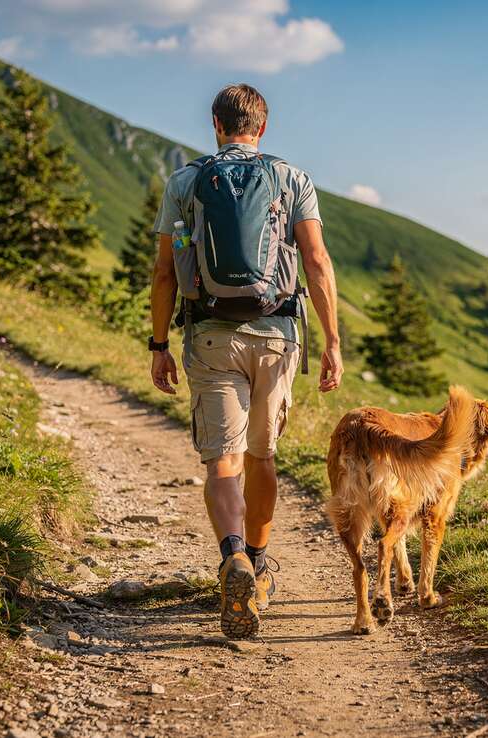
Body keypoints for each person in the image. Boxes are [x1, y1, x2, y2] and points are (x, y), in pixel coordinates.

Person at [148, 83, 343, 639]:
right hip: (276, 337)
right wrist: (332, 341)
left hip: (211, 336)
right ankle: (257, 565)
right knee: (262, 456)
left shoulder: (185, 182)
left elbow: (164, 271)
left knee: (222, 461)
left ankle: (231, 553)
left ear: (216, 124)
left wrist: (159, 345)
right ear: (263, 126)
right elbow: (316, 260)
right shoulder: (291, 179)